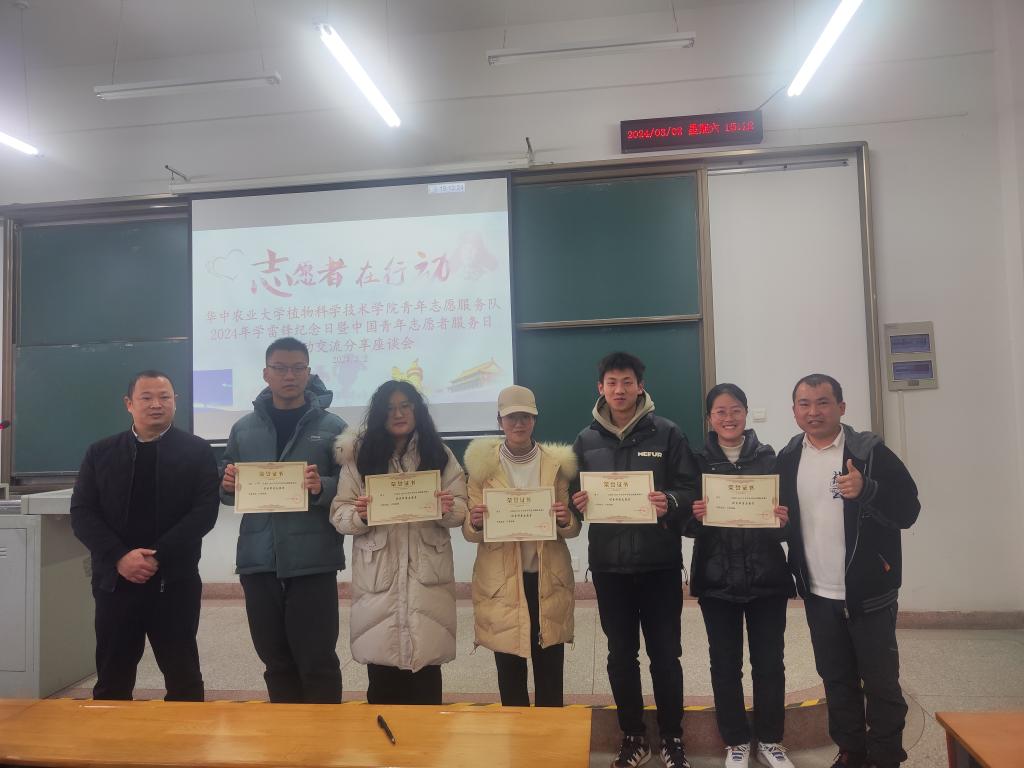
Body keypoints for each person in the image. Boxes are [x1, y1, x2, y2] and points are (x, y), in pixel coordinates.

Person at [776, 374, 920, 768]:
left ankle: (886, 756)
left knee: (881, 682)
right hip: (817, 591)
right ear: (794, 411)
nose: (814, 411)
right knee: (836, 678)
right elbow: (790, 522)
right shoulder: (788, 458)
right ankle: (852, 752)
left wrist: (868, 489)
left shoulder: (870, 453)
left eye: (823, 402)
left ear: (841, 407)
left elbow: (909, 510)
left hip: (868, 591)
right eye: (804, 404)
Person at [570, 351, 700, 768]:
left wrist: (671, 501)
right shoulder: (586, 440)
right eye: (612, 382)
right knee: (620, 656)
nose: (620, 389)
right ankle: (633, 736)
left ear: (640, 386)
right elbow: (571, 497)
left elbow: (690, 488)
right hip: (609, 568)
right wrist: (576, 502)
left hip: (660, 564)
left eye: (627, 382)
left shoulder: (667, 433)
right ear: (601, 388)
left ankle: (672, 737)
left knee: (666, 656)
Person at [70, 370, 219, 701]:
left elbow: (204, 513)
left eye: (164, 397)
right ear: (129, 403)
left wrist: (158, 555)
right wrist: (120, 557)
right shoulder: (101, 452)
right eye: (146, 397)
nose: (156, 404)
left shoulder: (197, 451)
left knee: (183, 678)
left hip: (174, 581)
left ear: (175, 402)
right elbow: (82, 512)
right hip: (115, 581)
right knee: (112, 678)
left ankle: (185, 735)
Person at [220, 337, 347, 704]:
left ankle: (325, 736)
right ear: (266, 373)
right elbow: (227, 484)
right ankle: (284, 735)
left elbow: (353, 484)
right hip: (258, 559)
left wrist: (322, 486)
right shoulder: (243, 429)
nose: (289, 376)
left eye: (297, 368)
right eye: (280, 368)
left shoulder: (333, 426)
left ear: (308, 373)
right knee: (275, 662)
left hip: (313, 560)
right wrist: (225, 484)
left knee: (318, 661)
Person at [331, 380, 468, 704]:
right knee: (382, 681)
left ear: (417, 409)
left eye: (405, 405)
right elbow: (339, 513)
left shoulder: (439, 453)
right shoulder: (359, 456)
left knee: (426, 678)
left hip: (427, 578)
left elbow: (462, 508)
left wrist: (447, 509)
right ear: (379, 414)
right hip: (379, 580)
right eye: (390, 408)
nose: (398, 413)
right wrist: (361, 515)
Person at [686, 384, 795, 768]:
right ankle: (735, 741)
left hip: (767, 578)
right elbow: (684, 523)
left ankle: (771, 739)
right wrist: (695, 516)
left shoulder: (770, 459)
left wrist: (783, 520)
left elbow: (787, 521)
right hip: (716, 579)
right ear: (709, 418)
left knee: (770, 664)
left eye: (735, 410)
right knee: (725, 664)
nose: (728, 418)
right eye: (720, 411)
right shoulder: (696, 461)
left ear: (746, 414)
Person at [462, 384, 580, 707]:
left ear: (535, 420)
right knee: (510, 675)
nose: (519, 423)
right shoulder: (481, 469)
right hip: (502, 581)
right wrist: (475, 522)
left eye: (526, 417)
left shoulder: (555, 465)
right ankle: (517, 738)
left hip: (547, 579)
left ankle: (550, 738)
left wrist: (565, 519)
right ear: (499, 421)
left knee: (550, 673)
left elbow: (572, 529)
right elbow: (470, 532)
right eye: (511, 417)